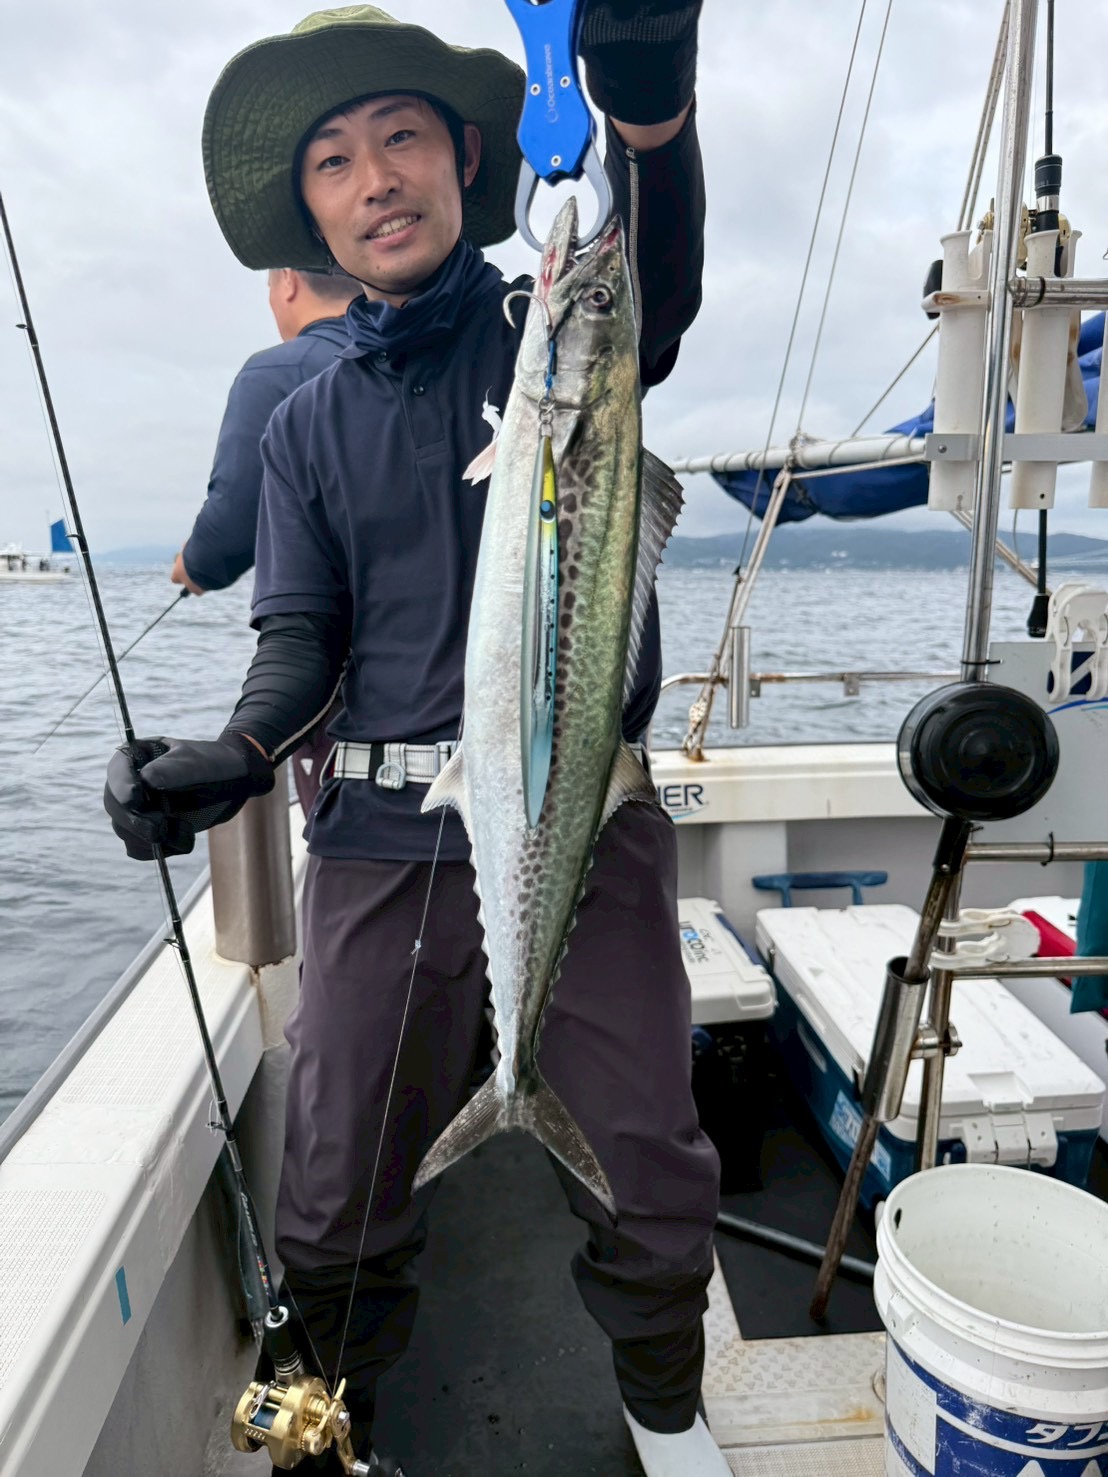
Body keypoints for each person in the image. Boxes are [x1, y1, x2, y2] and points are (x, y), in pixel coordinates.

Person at [104, 5, 723, 1474]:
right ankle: (333, 1439)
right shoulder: (302, 425)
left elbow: (657, 279)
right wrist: (236, 753)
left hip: (583, 821)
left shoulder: (547, 338)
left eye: (402, 138)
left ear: (464, 160)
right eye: (334, 160)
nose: (375, 178)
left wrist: (647, 107)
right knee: (332, 1204)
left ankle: (667, 1420)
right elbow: (299, 645)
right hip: (380, 847)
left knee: (650, 1170)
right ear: (312, 213)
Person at [171, 265, 361, 811]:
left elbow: (233, 517)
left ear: (288, 281)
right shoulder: (421, 359)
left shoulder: (276, 371)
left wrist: (193, 568)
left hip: (335, 682)